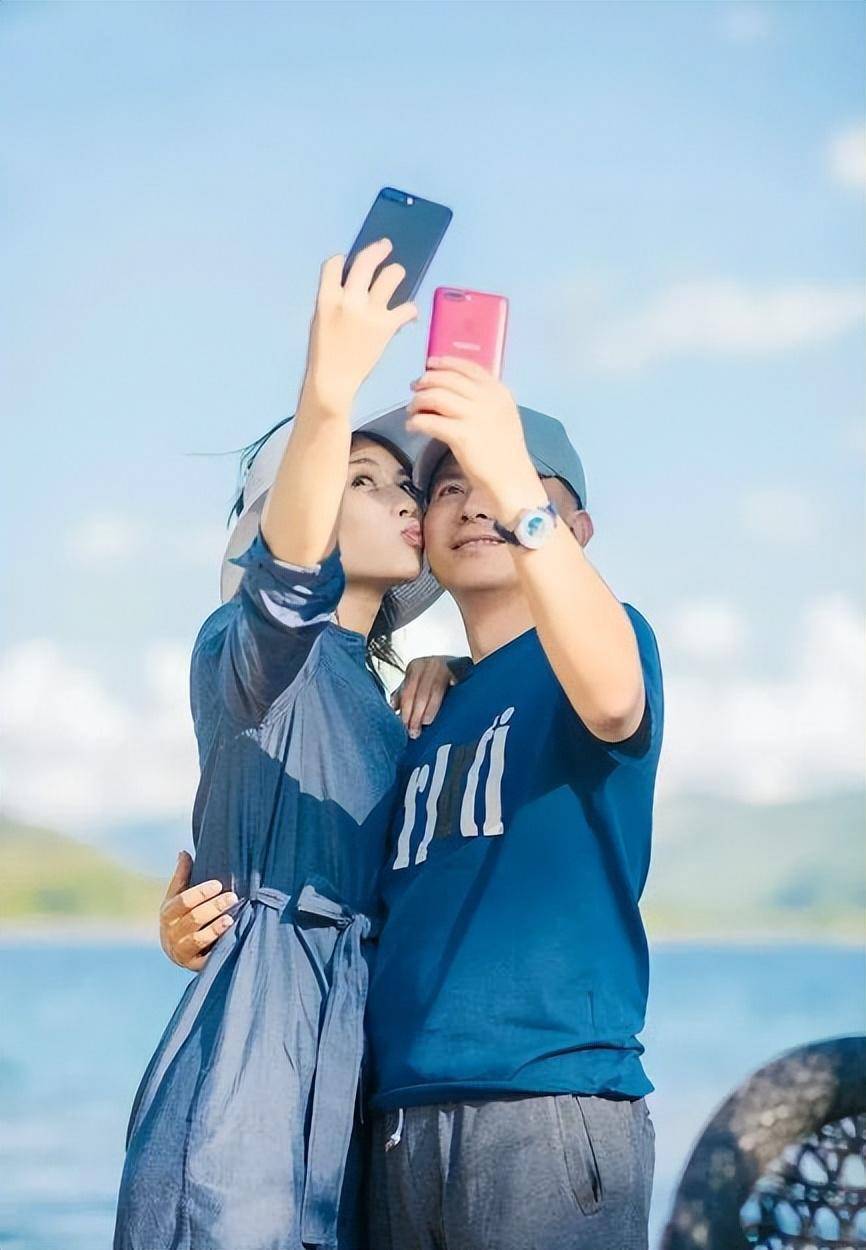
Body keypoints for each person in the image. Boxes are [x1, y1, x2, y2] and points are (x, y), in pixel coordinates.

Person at [113, 238, 454, 1250]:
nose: (402, 499)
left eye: (406, 486)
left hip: (356, 1081)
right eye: (362, 476)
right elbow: (286, 580)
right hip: (245, 1082)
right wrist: (330, 382)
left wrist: (463, 672)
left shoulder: (391, 699)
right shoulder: (248, 650)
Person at [366, 356, 664, 1250]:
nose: (476, 502)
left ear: (575, 526)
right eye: (450, 486)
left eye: (507, 482)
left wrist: (512, 490)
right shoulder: (424, 705)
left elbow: (612, 702)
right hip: (397, 1120)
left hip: (546, 1107)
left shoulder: (610, 645)